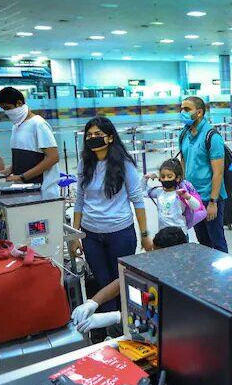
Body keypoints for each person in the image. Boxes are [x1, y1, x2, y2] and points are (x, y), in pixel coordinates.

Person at [71, 117, 153, 316]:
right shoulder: (84, 164)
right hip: (91, 235)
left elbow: (137, 200)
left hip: (120, 234)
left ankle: (126, 321)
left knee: (122, 282)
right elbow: (79, 200)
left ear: (110, 137)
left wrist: (144, 234)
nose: (92, 138)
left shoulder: (124, 164)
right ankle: (109, 327)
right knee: (102, 283)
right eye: (89, 135)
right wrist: (74, 236)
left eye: (98, 134)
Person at [70, 227, 188, 334]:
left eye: (159, 255)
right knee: (116, 328)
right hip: (148, 315)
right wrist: (93, 302)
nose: (154, 257)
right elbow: (122, 280)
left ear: (175, 255)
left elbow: (163, 316)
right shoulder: (157, 262)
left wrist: (117, 317)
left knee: (118, 328)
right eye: (154, 252)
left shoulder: (185, 280)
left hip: (172, 328)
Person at [179, 96, 228, 253]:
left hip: (209, 197)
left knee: (217, 242)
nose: (182, 112)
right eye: (181, 109)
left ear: (199, 112)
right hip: (193, 198)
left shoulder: (212, 137)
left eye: (187, 109)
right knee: (203, 242)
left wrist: (213, 202)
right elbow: (183, 162)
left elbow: (218, 172)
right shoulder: (184, 134)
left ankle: (224, 270)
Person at [0, 86, 59, 195]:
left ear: (19, 103)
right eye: (3, 109)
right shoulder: (16, 126)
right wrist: (9, 170)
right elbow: (26, 158)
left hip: (43, 190)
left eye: (7, 108)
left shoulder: (38, 124)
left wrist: (22, 177)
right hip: (25, 188)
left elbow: (53, 157)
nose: (6, 112)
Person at [143, 158, 204, 237]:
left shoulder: (181, 193)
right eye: (163, 177)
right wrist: (146, 178)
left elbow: (196, 206)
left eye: (169, 176)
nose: (166, 179)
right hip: (164, 234)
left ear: (177, 178)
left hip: (180, 234)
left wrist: (187, 197)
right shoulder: (159, 192)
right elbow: (143, 192)